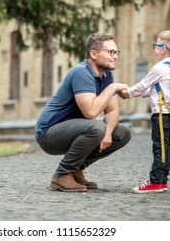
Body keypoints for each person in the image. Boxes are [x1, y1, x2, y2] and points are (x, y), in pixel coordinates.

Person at [35, 33, 132, 192]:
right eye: (110, 52)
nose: (115, 57)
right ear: (94, 54)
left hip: (75, 130)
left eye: (116, 52)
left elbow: (113, 110)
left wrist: (107, 133)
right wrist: (113, 88)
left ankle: (76, 169)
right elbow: (91, 113)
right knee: (96, 128)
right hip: (48, 133)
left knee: (123, 132)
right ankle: (62, 174)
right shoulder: (81, 72)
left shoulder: (107, 75)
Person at [119, 30, 170, 193]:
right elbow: (154, 90)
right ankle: (163, 180)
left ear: (162, 49)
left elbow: (143, 85)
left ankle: (155, 181)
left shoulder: (159, 68)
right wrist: (136, 93)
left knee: (159, 148)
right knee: (165, 148)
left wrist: (127, 93)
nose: (154, 49)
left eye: (155, 45)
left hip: (161, 115)